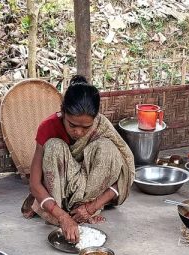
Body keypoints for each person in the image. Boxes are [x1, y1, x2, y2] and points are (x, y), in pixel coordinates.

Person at [22, 75, 135, 243]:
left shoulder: (101, 126)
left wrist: (92, 207)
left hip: (91, 192)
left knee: (108, 149)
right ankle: (66, 212)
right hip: (61, 194)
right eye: (72, 125)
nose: (79, 132)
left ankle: (80, 212)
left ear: (95, 118)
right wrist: (62, 217)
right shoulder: (48, 127)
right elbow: (35, 183)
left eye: (86, 127)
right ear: (62, 110)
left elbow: (125, 173)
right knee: (53, 146)